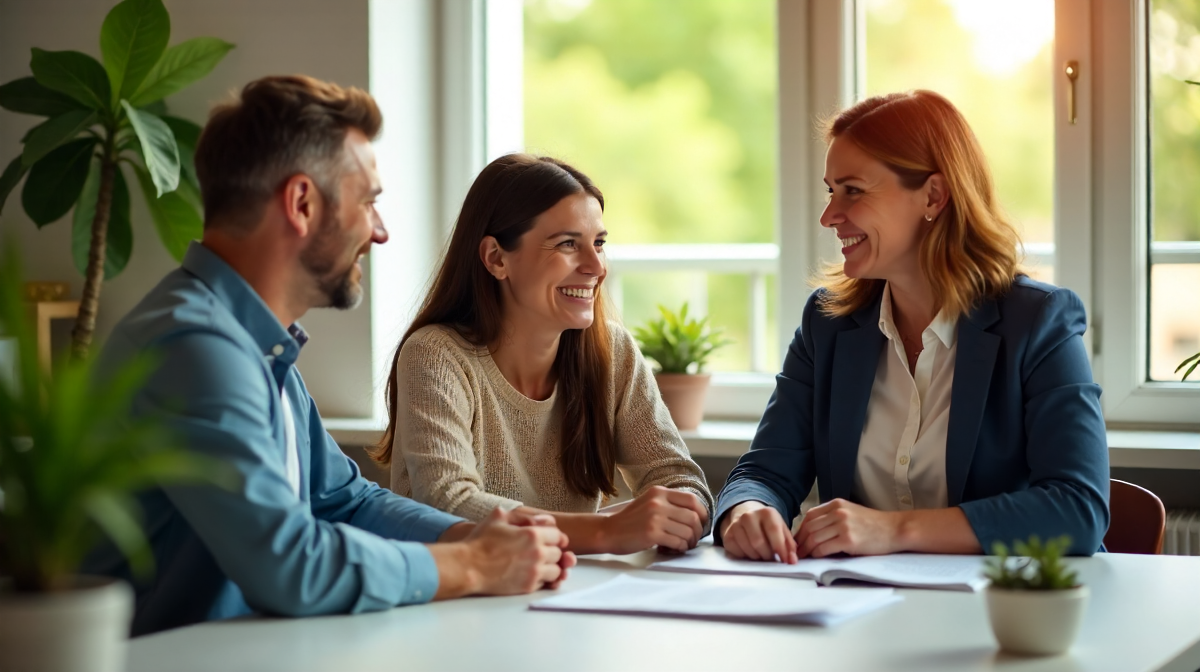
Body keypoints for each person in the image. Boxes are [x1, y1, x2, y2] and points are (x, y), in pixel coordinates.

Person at [84, 76, 574, 636]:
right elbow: (289, 563)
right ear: (301, 203)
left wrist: (465, 534)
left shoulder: (253, 340)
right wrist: (476, 564)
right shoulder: (193, 345)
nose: (380, 232)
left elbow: (341, 498)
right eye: (368, 202)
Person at [716, 90, 1109, 562]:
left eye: (853, 190)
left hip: (1001, 612)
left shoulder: (1037, 323)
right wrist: (748, 511)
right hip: (856, 611)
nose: (828, 216)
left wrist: (893, 530)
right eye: (830, 190)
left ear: (934, 196)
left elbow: (1076, 509)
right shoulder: (827, 324)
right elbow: (766, 470)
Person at [372, 153, 714, 555]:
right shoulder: (436, 355)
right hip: (458, 603)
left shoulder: (613, 352)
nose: (595, 267)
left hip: (567, 598)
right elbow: (449, 504)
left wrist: (683, 509)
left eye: (599, 244)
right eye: (568, 244)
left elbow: (680, 479)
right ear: (496, 258)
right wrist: (604, 531)